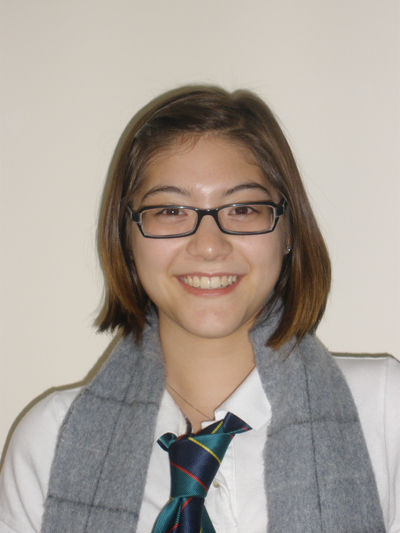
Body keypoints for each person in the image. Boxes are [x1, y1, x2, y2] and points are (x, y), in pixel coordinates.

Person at [0, 86, 399, 533]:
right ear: (126, 238)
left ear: (288, 231)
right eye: (170, 211)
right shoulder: (50, 442)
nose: (209, 245)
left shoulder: (386, 412)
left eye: (243, 208)